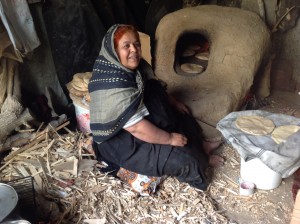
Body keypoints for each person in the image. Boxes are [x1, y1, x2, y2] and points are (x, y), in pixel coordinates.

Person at [88, 24, 224, 191]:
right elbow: (137, 127)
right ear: (114, 51)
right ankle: (200, 159)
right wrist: (169, 139)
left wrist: (173, 102)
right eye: (126, 46)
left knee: (172, 105)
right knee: (184, 160)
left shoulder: (135, 69)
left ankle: (201, 147)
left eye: (137, 44)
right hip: (121, 142)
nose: (134, 50)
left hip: (137, 125)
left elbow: (154, 88)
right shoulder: (113, 85)